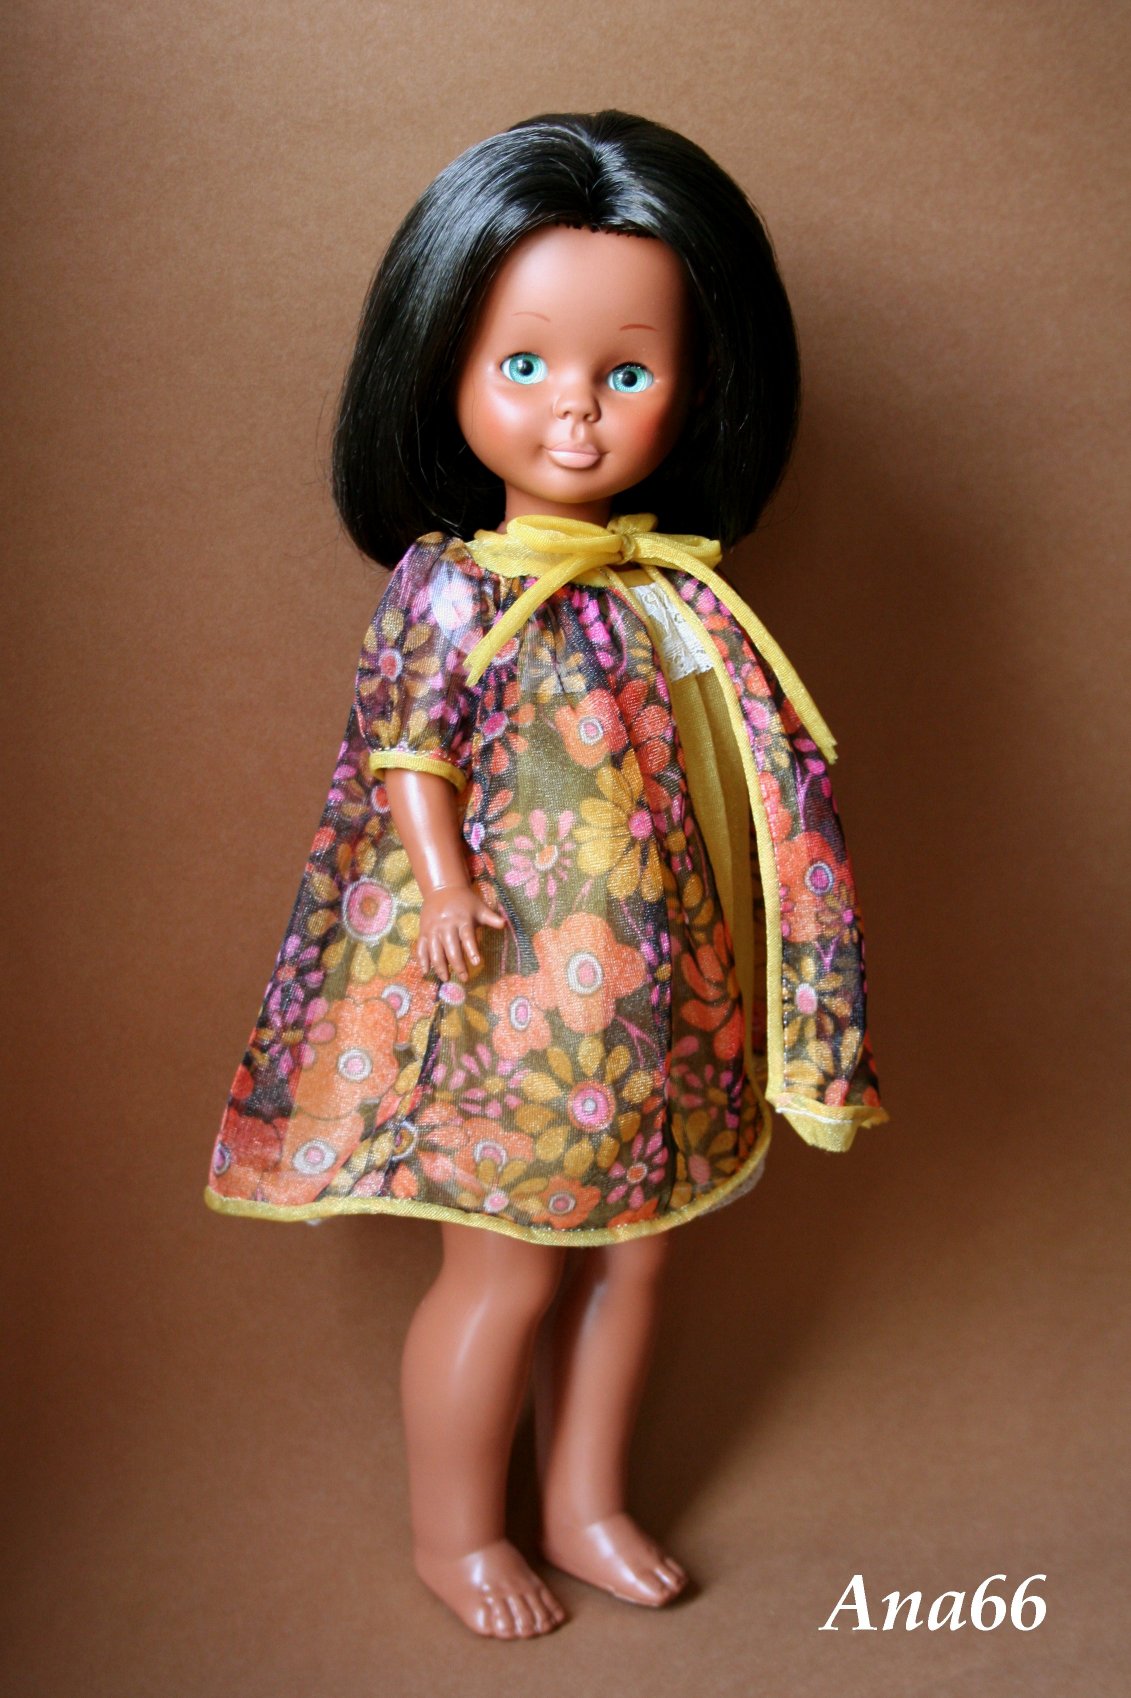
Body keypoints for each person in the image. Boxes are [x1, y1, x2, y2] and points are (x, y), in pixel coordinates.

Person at [204, 110, 888, 1640]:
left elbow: (723, 773)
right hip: (512, 991)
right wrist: (445, 882)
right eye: (525, 365)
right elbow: (405, 746)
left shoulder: (664, 594)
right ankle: (458, 1533)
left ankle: (585, 1500)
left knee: (635, 1261)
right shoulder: (450, 588)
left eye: (625, 375)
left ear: (699, 386)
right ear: (442, 366)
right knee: (506, 1270)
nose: (574, 413)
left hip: (654, 989)